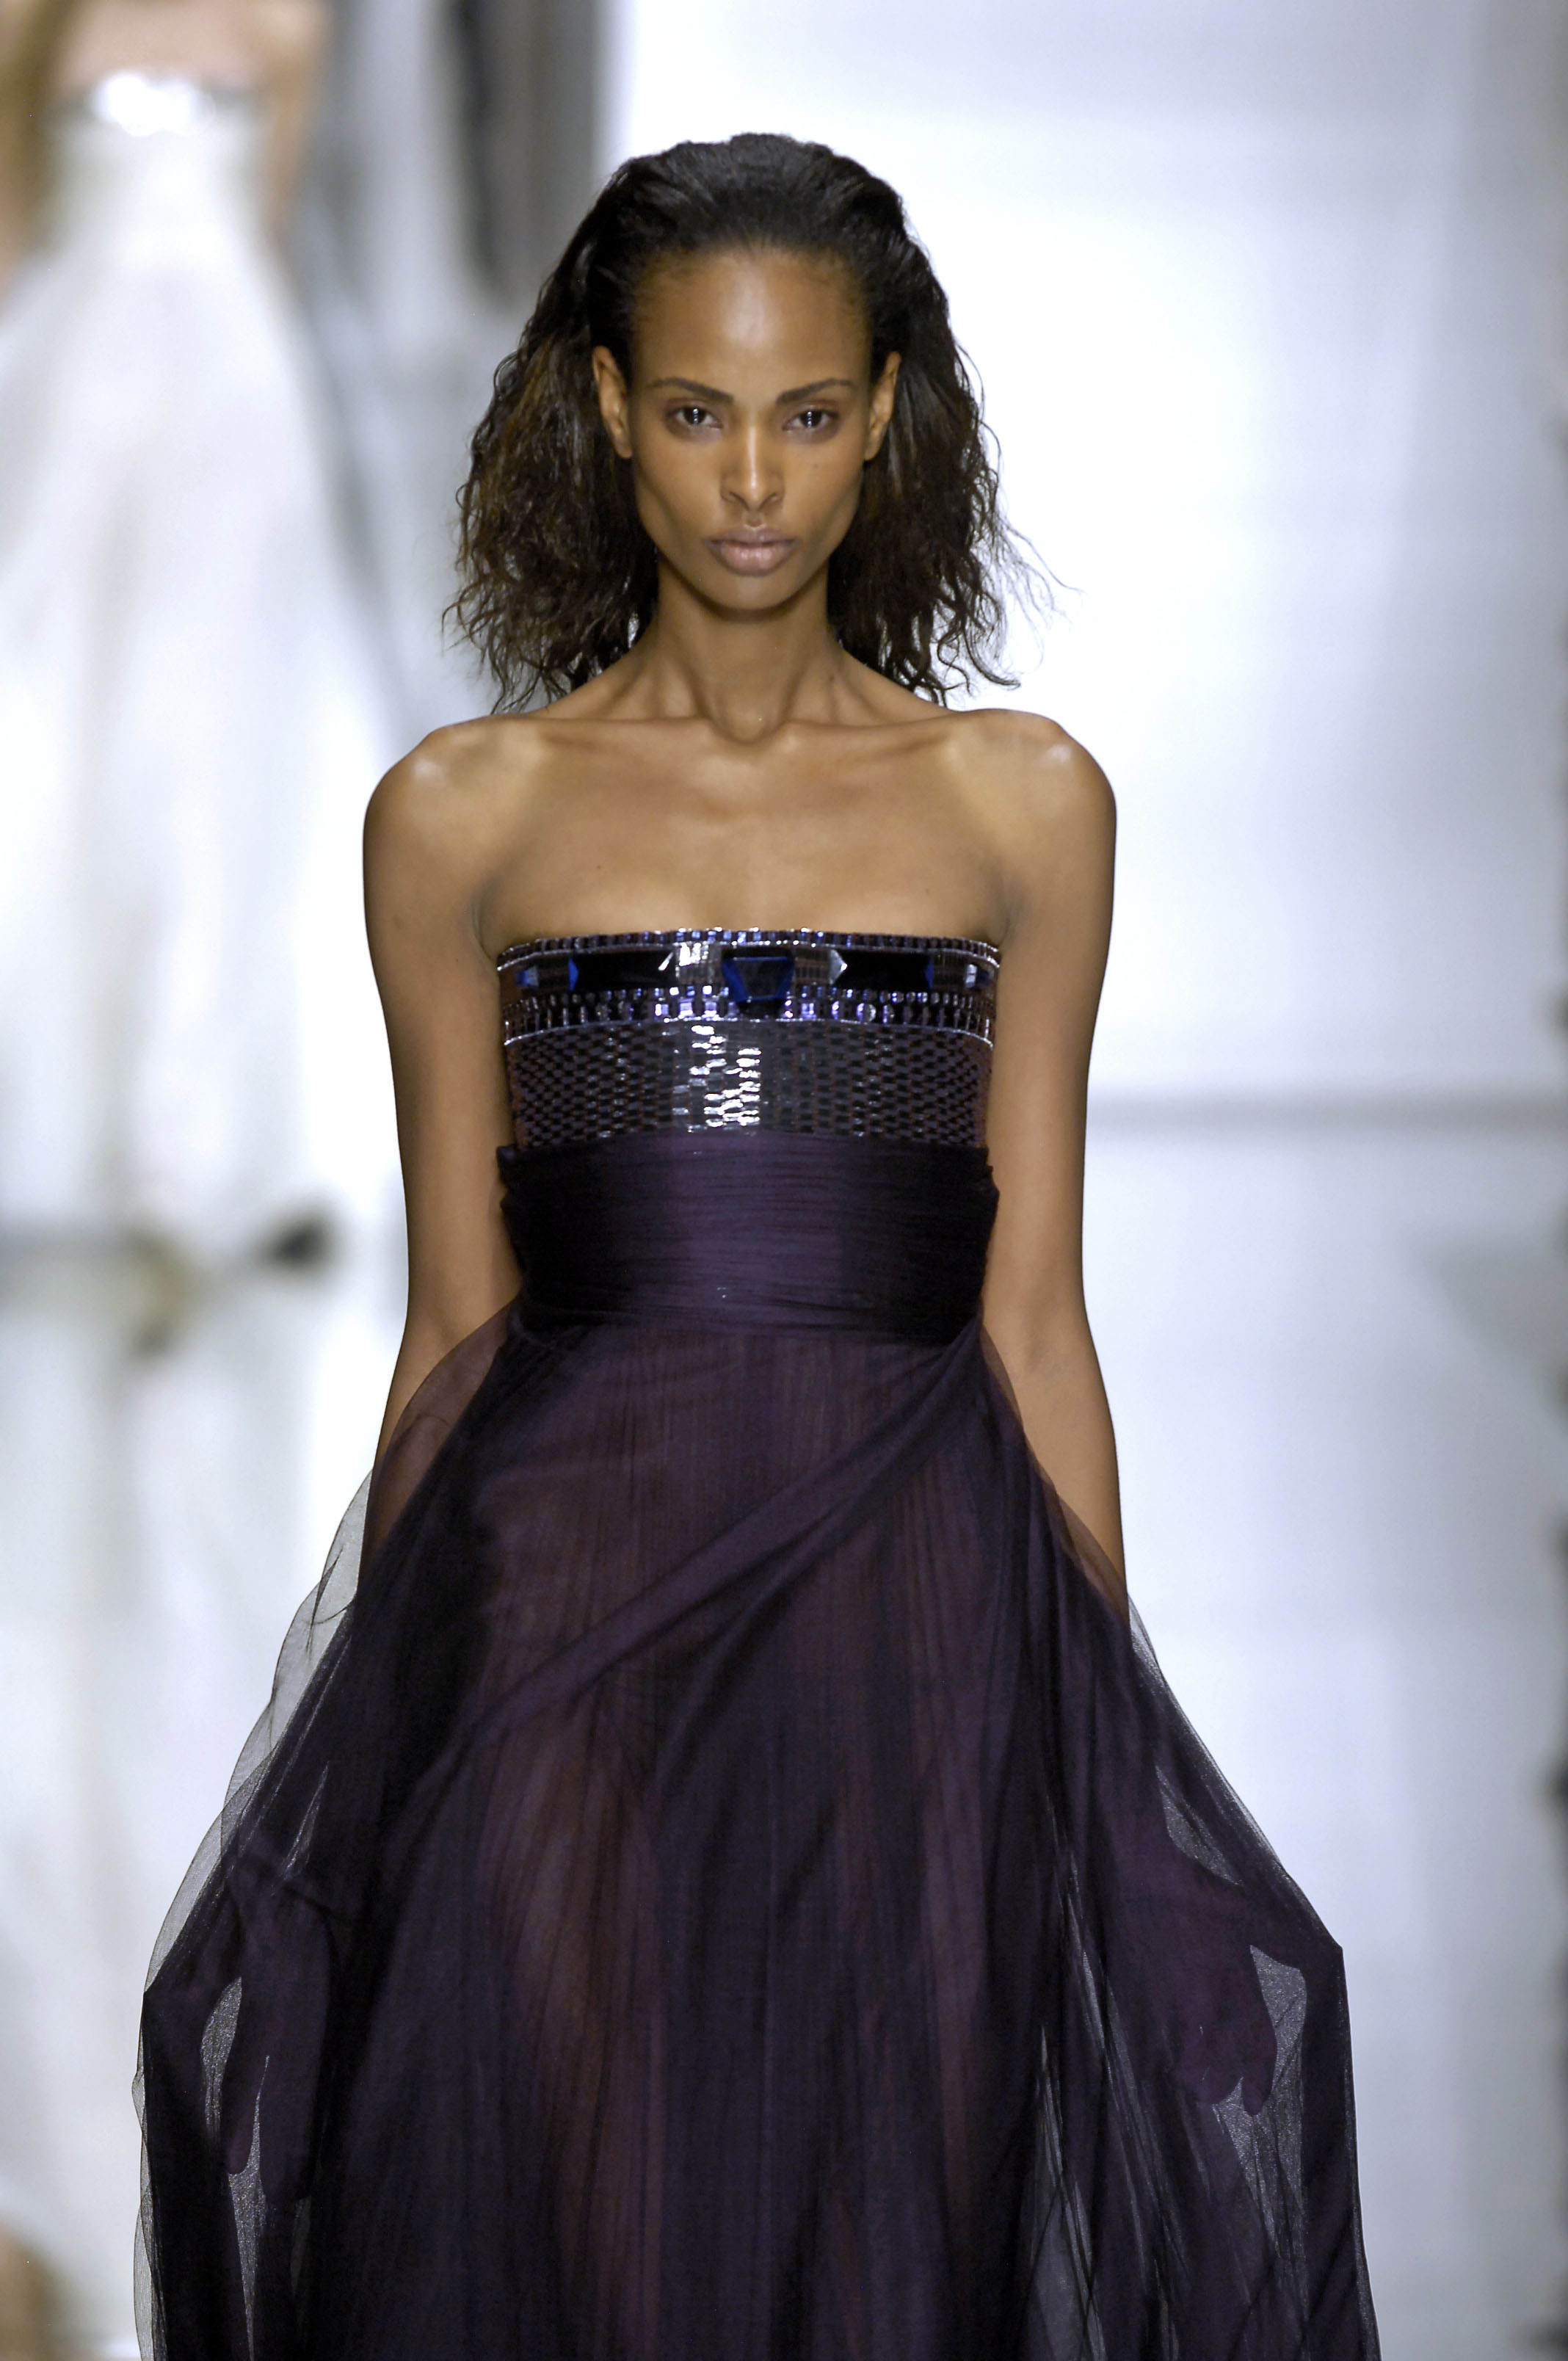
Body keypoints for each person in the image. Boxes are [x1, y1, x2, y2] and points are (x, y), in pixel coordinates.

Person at [135, 134, 1382, 2358]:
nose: (750, 482)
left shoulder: (1023, 806)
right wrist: (388, 1733)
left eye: (806, 413)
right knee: (582, 2218)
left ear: (887, 412)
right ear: (606, 406)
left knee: (901, 2228)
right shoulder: (463, 816)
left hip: (918, 1613)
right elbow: (457, 1321)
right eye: (699, 411)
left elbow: (1034, 1311)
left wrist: (1090, 1722)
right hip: (558, 1614)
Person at [0, 0, 393, 1262]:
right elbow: (14, 218)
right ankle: (80, 1125)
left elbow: (269, 213)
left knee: (224, 738)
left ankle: (208, 1140)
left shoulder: (287, 17)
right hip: (74, 378)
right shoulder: (31, 15)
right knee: (61, 719)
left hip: (228, 385)